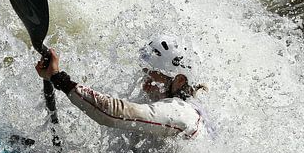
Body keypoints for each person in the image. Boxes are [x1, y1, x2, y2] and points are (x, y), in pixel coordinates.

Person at [34, 35, 207, 139]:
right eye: (144, 75)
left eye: (151, 77)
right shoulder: (163, 104)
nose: (144, 86)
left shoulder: (183, 113)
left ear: (179, 82)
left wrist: (58, 77)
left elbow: (112, 114)